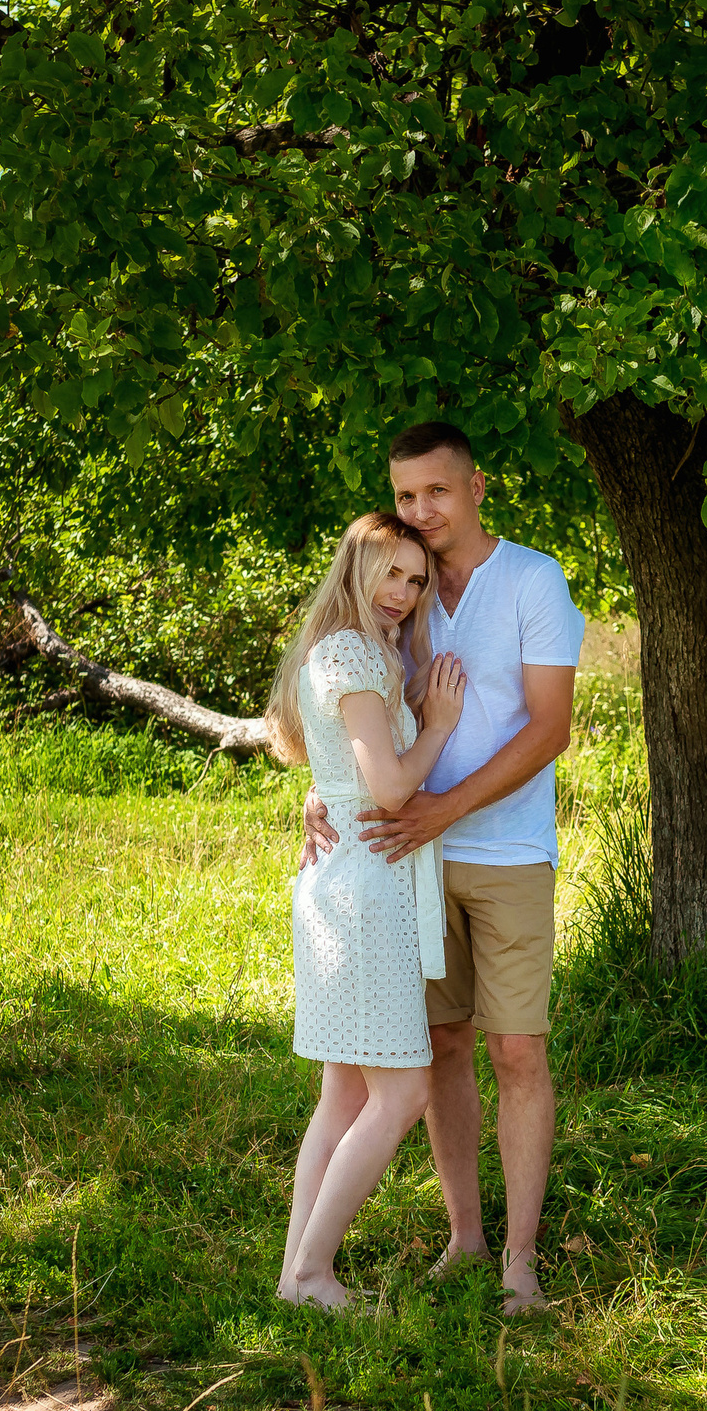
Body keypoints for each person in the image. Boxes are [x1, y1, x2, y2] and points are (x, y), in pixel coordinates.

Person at [302, 422, 584, 1314]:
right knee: (441, 1047)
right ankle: (465, 1237)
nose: (421, 511)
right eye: (407, 495)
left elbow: (549, 727)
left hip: (503, 853)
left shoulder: (534, 580)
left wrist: (436, 811)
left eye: (437, 492)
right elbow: (354, 712)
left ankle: (520, 1258)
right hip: (402, 868)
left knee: (518, 1049)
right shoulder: (401, 590)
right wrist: (324, 796)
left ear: (476, 487)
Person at [266, 512, 468, 1311]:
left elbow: (347, 768)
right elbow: (389, 789)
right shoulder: (351, 650)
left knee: (344, 1094)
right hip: (364, 893)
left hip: (349, 881)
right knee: (401, 1092)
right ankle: (312, 1270)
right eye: (390, 572)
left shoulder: (364, 651)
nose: (403, 592)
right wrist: (442, 726)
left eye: (416, 580)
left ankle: (295, 1275)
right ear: (355, 567)